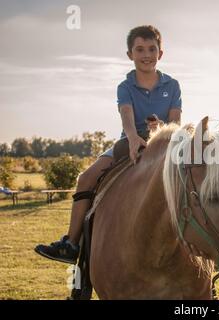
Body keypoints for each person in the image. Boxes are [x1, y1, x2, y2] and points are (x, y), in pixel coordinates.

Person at [35, 25, 182, 264]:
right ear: (130, 55)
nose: (146, 54)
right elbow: (126, 116)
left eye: (152, 49)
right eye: (140, 49)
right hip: (129, 141)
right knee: (85, 178)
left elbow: (175, 121)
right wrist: (134, 138)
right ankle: (71, 243)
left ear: (160, 53)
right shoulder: (125, 87)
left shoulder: (172, 85)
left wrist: (161, 128)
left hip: (164, 143)